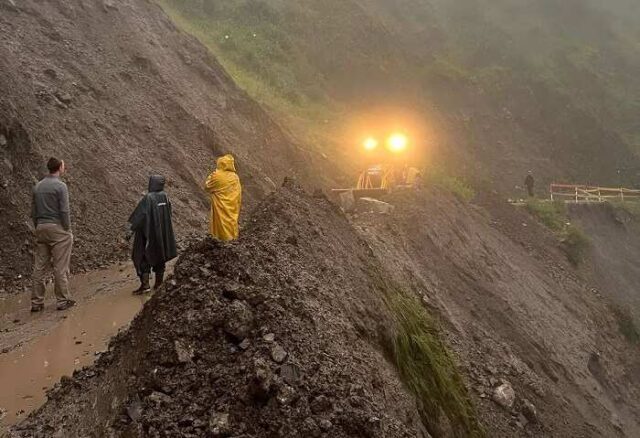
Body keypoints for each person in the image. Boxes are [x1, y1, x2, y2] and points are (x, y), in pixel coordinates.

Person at [31, 157, 75, 312]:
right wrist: (67, 229)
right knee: (60, 266)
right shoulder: (61, 186)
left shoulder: (38, 186)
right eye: (63, 165)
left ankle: (36, 302)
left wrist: (38, 227)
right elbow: (64, 210)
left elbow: (33, 211)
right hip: (57, 228)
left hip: (41, 227)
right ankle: (62, 300)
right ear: (59, 168)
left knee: (39, 267)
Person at [127, 175, 177, 294]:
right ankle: (158, 284)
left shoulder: (148, 198)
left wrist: (129, 231)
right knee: (160, 256)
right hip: (161, 234)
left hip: (147, 234)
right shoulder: (165, 196)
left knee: (141, 257)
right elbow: (169, 213)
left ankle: (145, 286)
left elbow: (140, 215)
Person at [205, 154, 242, 241]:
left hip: (219, 207)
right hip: (232, 208)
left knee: (220, 226)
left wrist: (213, 174)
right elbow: (238, 194)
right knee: (231, 223)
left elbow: (207, 186)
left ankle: (218, 240)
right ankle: (232, 240)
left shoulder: (217, 176)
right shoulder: (235, 178)